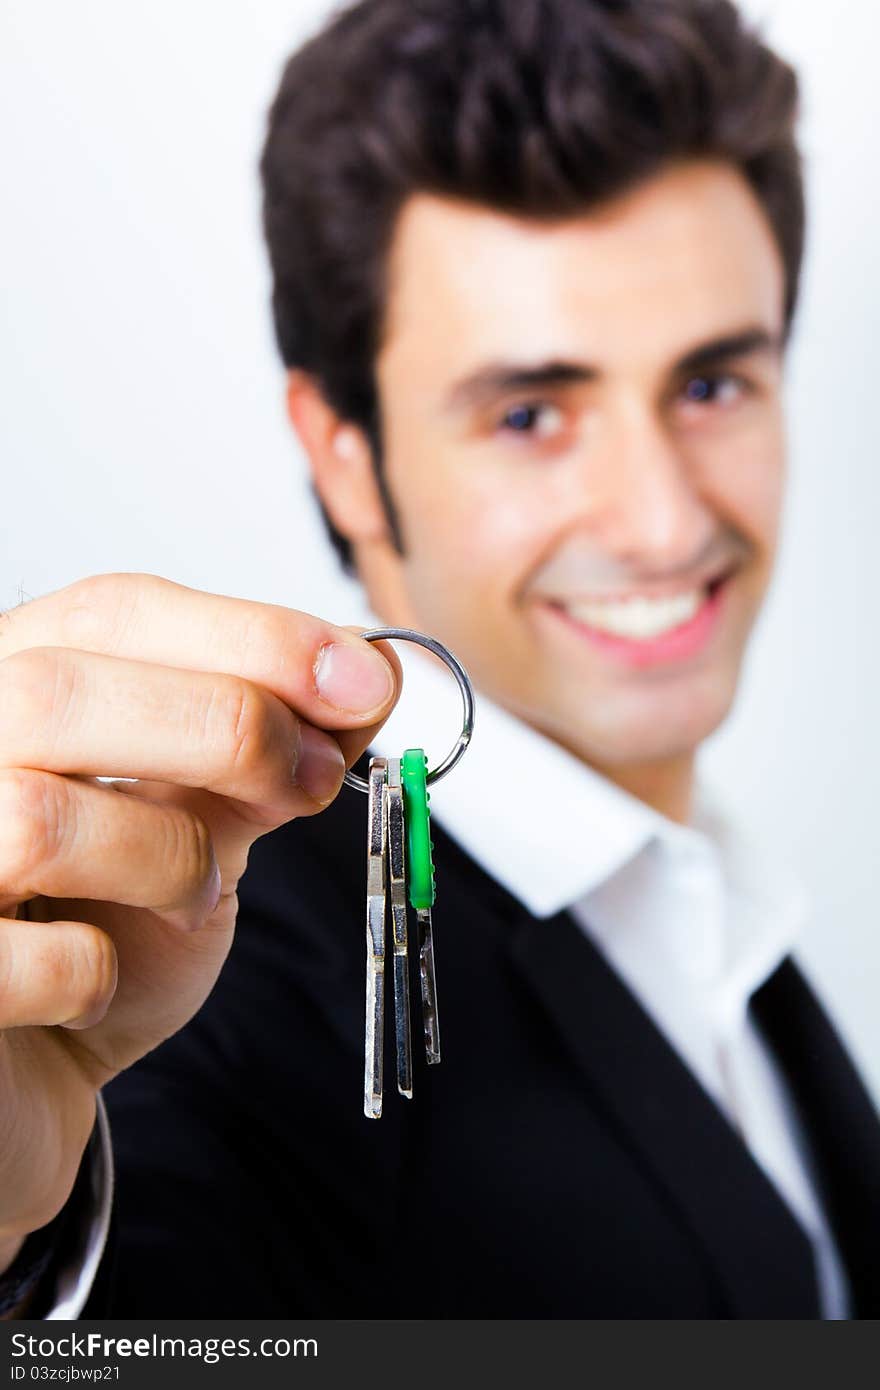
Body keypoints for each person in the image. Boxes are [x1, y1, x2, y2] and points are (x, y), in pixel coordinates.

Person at [1, 0, 878, 1320]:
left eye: (711, 384)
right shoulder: (192, 973)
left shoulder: (718, 916)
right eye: (531, 412)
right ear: (343, 450)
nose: (662, 517)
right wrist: (16, 1238)